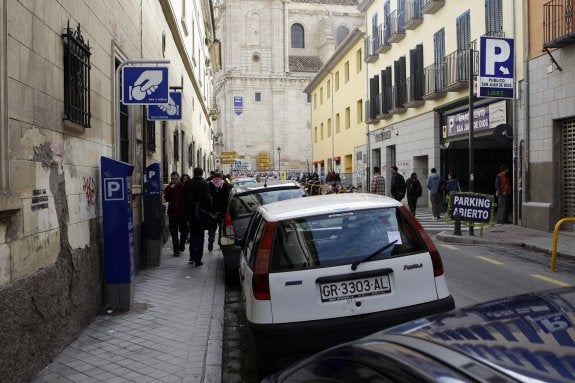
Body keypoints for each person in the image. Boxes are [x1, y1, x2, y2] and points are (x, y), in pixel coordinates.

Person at [184, 167, 212, 266]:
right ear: (202, 173)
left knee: (192, 235)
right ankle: (198, 260)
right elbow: (207, 200)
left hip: (190, 213)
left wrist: (192, 205)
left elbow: (185, 198)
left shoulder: (188, 183)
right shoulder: (205, 184)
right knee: (200, 237)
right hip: (201, 214)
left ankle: (192, 256)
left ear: (193, 173)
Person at [164, 171, 189, 257]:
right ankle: (176, 250)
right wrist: (171, 189)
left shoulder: (184, 187)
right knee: (174, 233)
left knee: (184, 232)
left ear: (179, 178)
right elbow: (167, 198)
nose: (174, 180)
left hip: (183, 213)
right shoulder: (168, 188)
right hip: (172, 214)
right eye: (172, 179)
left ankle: (181, 245)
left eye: (176, 178)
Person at [207, 172, 231, 251]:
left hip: (212, 211)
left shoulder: (209, 185)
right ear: (221, 177)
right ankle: (221, 244)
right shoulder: (225, 185)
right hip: (222, 211)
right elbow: (227, 199)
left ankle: (211, 241)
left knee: (212, 228)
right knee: (221, 228)